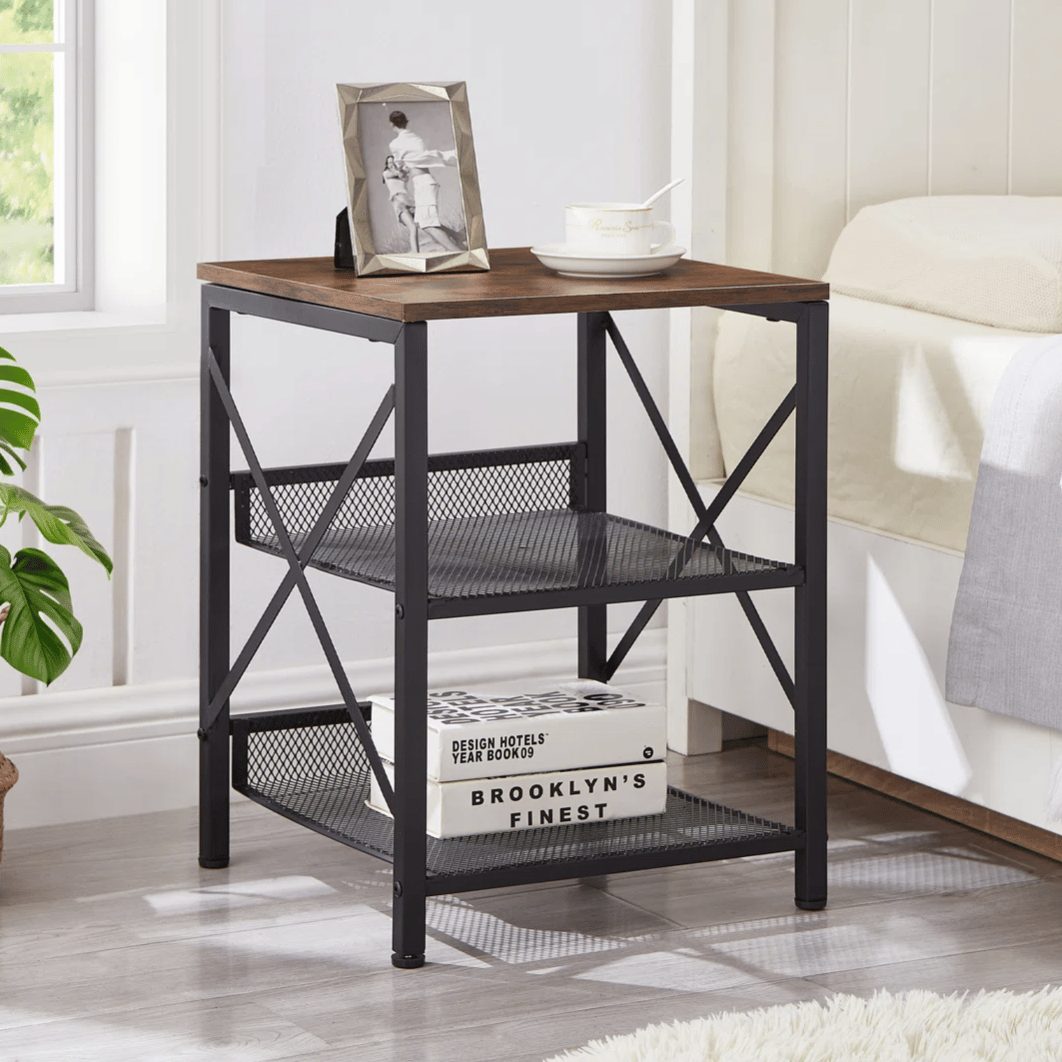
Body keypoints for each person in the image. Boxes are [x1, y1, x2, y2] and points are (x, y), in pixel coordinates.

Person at [387, 110, 464, 252]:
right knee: (425, 221)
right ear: (406, 121)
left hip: (423, 183)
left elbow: (400, 167)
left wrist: (400, 169)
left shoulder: (395, 144)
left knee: (427, 224)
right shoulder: (416, 138)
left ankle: (456, 252)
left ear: (392, 124)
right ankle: (458, 237)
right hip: (425, 182)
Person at [382, 154, 418, 252]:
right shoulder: (386, 173)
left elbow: (405, 177)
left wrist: (404, 169)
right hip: (399, 203)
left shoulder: (401, 174)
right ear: (387, 165)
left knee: (426, 223)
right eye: (389, 163)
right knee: (413, 228)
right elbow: (396, 174)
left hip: (410, 202)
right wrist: (403, 168)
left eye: (393, 162)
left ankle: (455, 235)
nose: (392, 164)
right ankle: (416, 254)